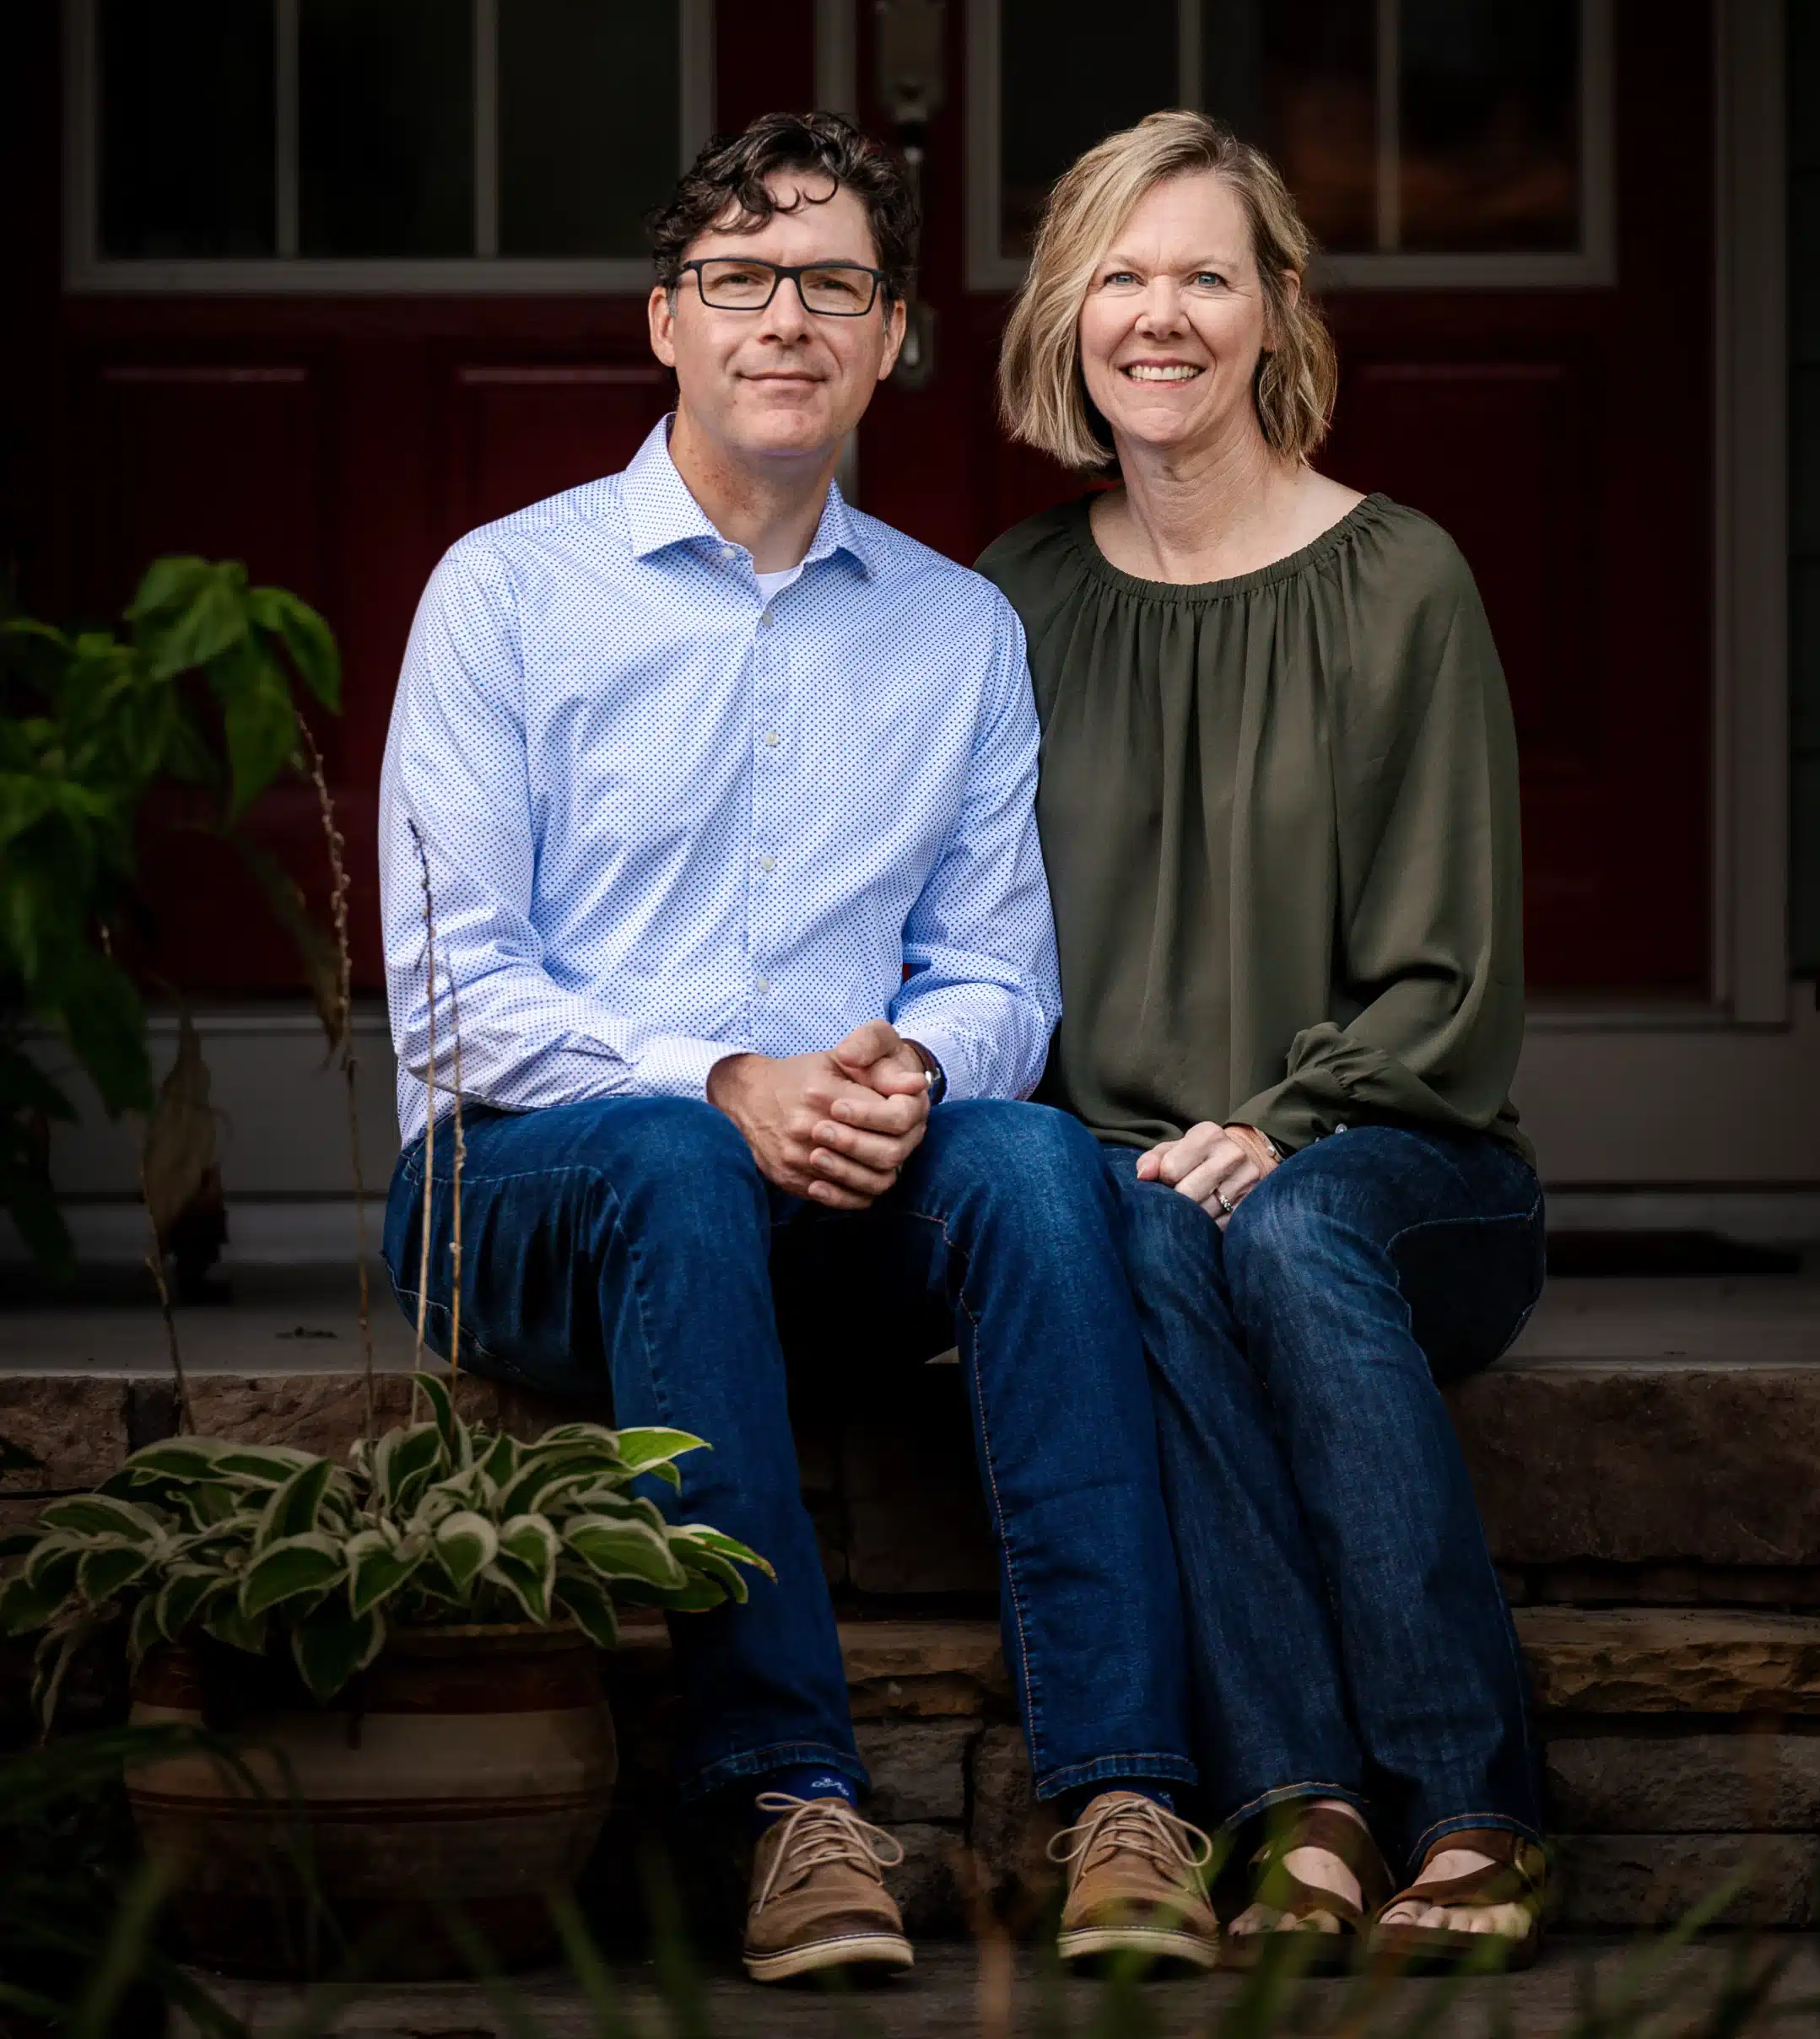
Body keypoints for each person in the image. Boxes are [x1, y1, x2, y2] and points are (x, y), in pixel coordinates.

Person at [377, 111, 1218, 1984]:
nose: (786, 318)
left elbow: (998, 973)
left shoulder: (956, 628)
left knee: (1035, 1156)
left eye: (834, 284)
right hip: (531, 1195)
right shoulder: (506, 591)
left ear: (892, 334)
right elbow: (450, 992)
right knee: (680, 1156)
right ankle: (789, 1803)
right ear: (664, 319)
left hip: (831, 1198)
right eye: (741, 278)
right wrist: (719, 1079)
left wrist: (908, 1074)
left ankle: (1125, 1798)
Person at [977, 111, 1549, 1973]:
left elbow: (1450, 986)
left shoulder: (1402, 582)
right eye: (1120, 276)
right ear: (1067, 313)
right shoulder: (1013, 601)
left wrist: (1285, 1124)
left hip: (1402, 1166)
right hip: (1136, 1169)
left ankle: (1472, 1798)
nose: (1160, 317)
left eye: (1206, 275)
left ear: (1277, 308)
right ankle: (1304, 1803)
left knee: (1284, 1230)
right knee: (1152, 1226)